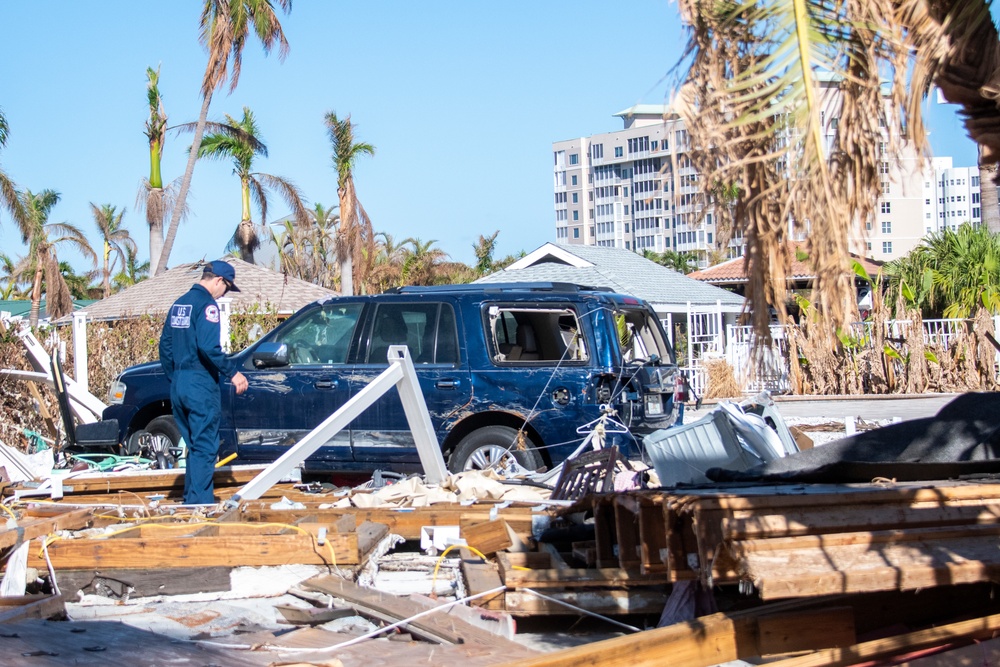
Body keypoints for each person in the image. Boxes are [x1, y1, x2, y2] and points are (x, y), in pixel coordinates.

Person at [159, 260, 249, 504]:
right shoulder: (207, 306)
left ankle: (191, 499)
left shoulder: (179, 304)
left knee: (194, 446)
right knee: (206, 447)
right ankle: (201, 505)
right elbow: (208, 347)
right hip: (199, 384)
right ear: (219, 280)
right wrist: (233, 373)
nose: (224, 295)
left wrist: (177, 377)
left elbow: (165, 347)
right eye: (227, 289)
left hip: (179, 383)